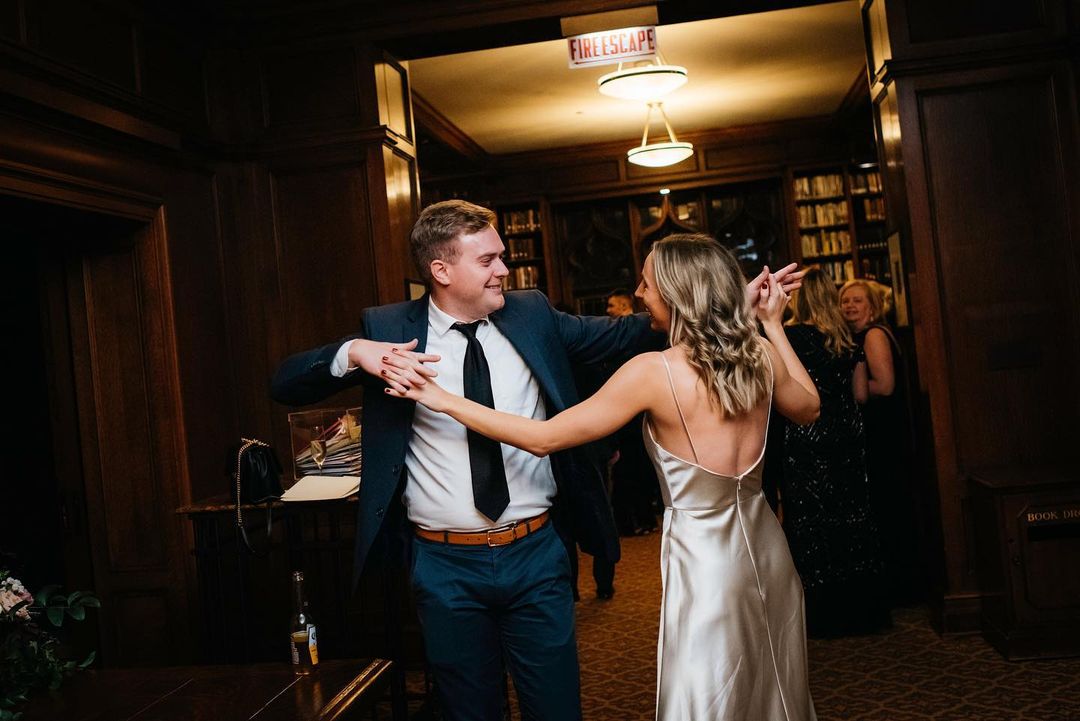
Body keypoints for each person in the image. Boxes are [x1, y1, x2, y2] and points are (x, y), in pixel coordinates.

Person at [271, 201, 804, 721]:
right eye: (488, 260)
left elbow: (632, 329)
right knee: (468, 709)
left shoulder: (532, 315)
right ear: (441, 270)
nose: (504, 270)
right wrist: (353, 352)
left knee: (555, 706)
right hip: (443, 563)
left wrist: (724, 299)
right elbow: (285, 383)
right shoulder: (387, 329)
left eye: (503, 256)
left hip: (536, 554)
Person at [782, 269, 890, 637]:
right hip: (846, 435)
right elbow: (860, 395)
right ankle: (863, 611)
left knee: (811, 520)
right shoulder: (845, 338)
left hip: (805, 434)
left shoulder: (789, 338)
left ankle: (822, 615)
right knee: (853, 517)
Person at [840, 279, 921, 604]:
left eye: (857, 300)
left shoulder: (873, 335)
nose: (849, 306)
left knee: (888, 504)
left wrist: (842, 387)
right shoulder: (858, 336)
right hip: (878, 431)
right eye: (845, 300)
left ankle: (900, 587)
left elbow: (885, 385)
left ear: (872, 306)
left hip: (884, 432)